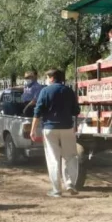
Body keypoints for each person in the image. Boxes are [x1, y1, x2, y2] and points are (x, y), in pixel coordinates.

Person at [30, 69, 80, 198]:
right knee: (70, 157)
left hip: (49, 128)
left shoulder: (45, 91)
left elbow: (38, 111)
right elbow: (76, 111)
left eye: (47, 77)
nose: (46, 79)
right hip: (67, 128)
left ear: (52, 78)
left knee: (53, 158)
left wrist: (33, 129)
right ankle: (70, 184)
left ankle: (57, 190)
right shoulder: (69, 91)